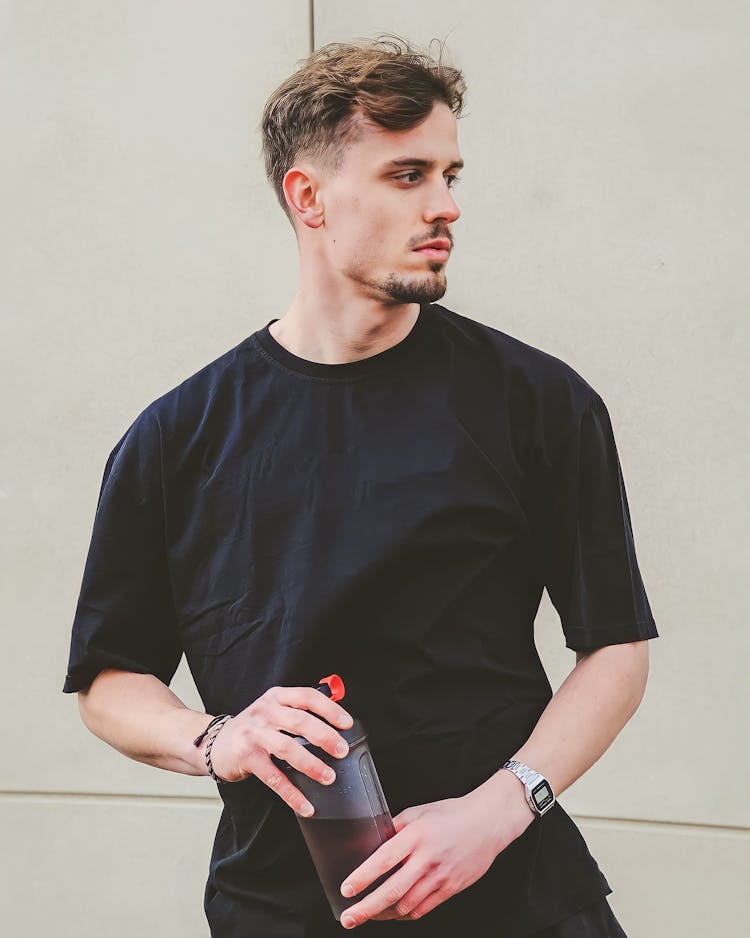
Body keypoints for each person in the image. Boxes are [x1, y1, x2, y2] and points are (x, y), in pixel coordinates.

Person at [63, 36, 658, 938]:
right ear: (308, 197)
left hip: (519, 903)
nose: (446, 206)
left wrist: (500, 809)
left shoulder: (538, 403)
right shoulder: (175, 439)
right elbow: (109, 679)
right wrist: (218, 741)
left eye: (451, 174)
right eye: (407, 175)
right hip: (286, 910)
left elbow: (616, 649)